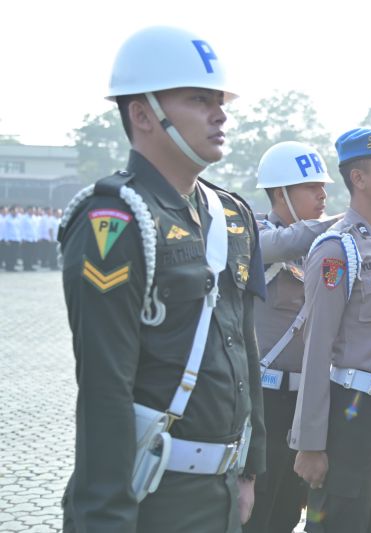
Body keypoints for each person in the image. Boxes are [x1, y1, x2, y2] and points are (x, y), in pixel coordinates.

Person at [58, 25, 267, 533]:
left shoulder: (232, 215)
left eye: (219, 99)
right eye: (199, 99)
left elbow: (245, 347)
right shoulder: (115, 220)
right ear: (143, 114)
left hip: (220, 490)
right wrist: (106, 518)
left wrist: (250, 467)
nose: (220, 113)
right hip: (152, 495)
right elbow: (104, 388)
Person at [290, 127, 371, 533]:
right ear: (358, 178)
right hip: (349, 416)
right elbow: (316, 347)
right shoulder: (338, 249)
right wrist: (310, 443)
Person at [244, 141, 340, 533]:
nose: (322, 195)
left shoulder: (321, 248)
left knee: (288, 509)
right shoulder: (254, 233)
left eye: (324, 186)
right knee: (257, 508)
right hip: (264, 400)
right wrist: (349, 218)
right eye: (311, 187)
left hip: (304, 401)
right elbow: (283, 243)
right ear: (280, 192)